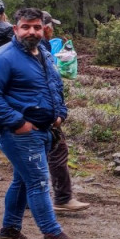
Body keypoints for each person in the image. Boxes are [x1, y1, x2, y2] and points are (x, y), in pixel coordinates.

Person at [0, 7, 85, 239]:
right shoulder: (2, 57)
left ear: (43, 29)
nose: (31, 31)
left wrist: (60, 113)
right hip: (18, 133)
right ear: (15, 29)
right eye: (25, 27)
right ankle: (55, 238)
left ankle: (9, 234)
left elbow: (55, 86)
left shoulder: (45, 54)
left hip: (43, 130)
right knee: (38, 182)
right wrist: (18, 122)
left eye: (36, 27)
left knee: (22, 181)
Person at [40, 12, 90, 213]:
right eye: (51, 25)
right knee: (57, 151)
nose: (53, 29)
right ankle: (62, 198)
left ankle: (29, 198)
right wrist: (57, 112)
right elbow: (47, 83)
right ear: (45, 26)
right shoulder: (40, 49)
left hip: (42, 111)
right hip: (43, 113)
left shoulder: (41, 48)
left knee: (35, 156)